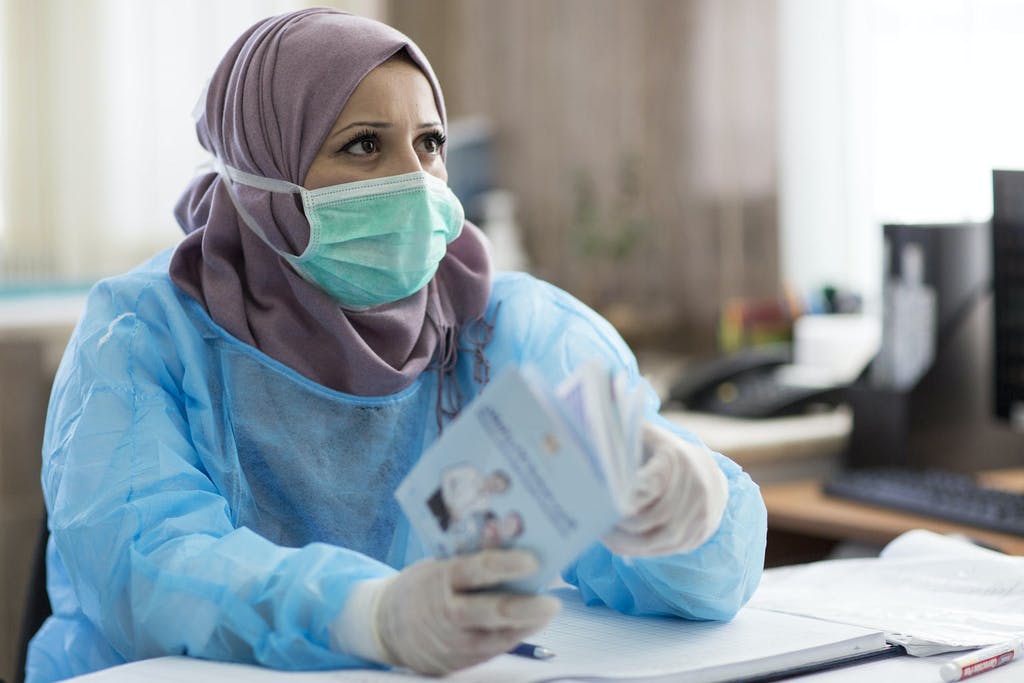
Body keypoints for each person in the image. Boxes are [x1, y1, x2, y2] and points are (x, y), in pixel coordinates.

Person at [26, 8, 767, 683]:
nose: (414, 182)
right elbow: (147, 568)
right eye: (363, 146)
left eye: (429, 143)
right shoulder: (144, 337)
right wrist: (369, 614)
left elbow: (691, 580)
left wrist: (691, 517)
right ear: (265, 171)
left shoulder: (506, 332)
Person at [426, 464, 510, 531]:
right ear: (493, 475)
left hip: (448, 519)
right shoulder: (471, 472)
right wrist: (448, 501)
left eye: (497, 489)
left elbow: (468, 515)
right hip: (438, 502)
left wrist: (460, 517)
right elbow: (446, 474)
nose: (493, 487)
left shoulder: (485, 504)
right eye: (495, 483)